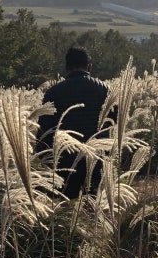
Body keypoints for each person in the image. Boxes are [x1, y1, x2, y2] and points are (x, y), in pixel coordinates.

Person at [36, 46, 115, 198]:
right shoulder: (106, 90)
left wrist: (44, 156)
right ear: (89, 67)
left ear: (66, 68)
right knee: (94, 204)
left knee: (64, 203)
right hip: (97, 158)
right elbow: (114, 123)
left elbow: (45, 129)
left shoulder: (53, 92)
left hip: (65, 159)